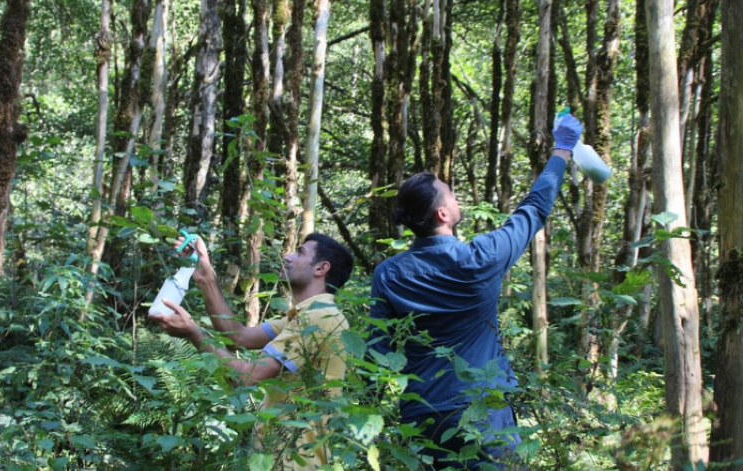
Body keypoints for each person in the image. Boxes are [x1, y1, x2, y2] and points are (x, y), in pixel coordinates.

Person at [368, 114, 584, 469]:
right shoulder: (482, 257)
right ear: (442, 213)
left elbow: (377, 348)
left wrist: (363, 420)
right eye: (451, 193)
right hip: (484, 411)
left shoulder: (388, 273)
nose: (456, 197)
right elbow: (534, 208)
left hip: (422, 413)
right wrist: (562, 149)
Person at [148, 232, 354, 470]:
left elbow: (247, 377)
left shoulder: (318, 317)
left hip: (295, 461)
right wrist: (204, 274)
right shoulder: (308, 315)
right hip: (281, 454)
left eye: (299, 252)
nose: (287, 257)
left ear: (321, 268)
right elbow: (237, 337)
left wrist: (195, 333)